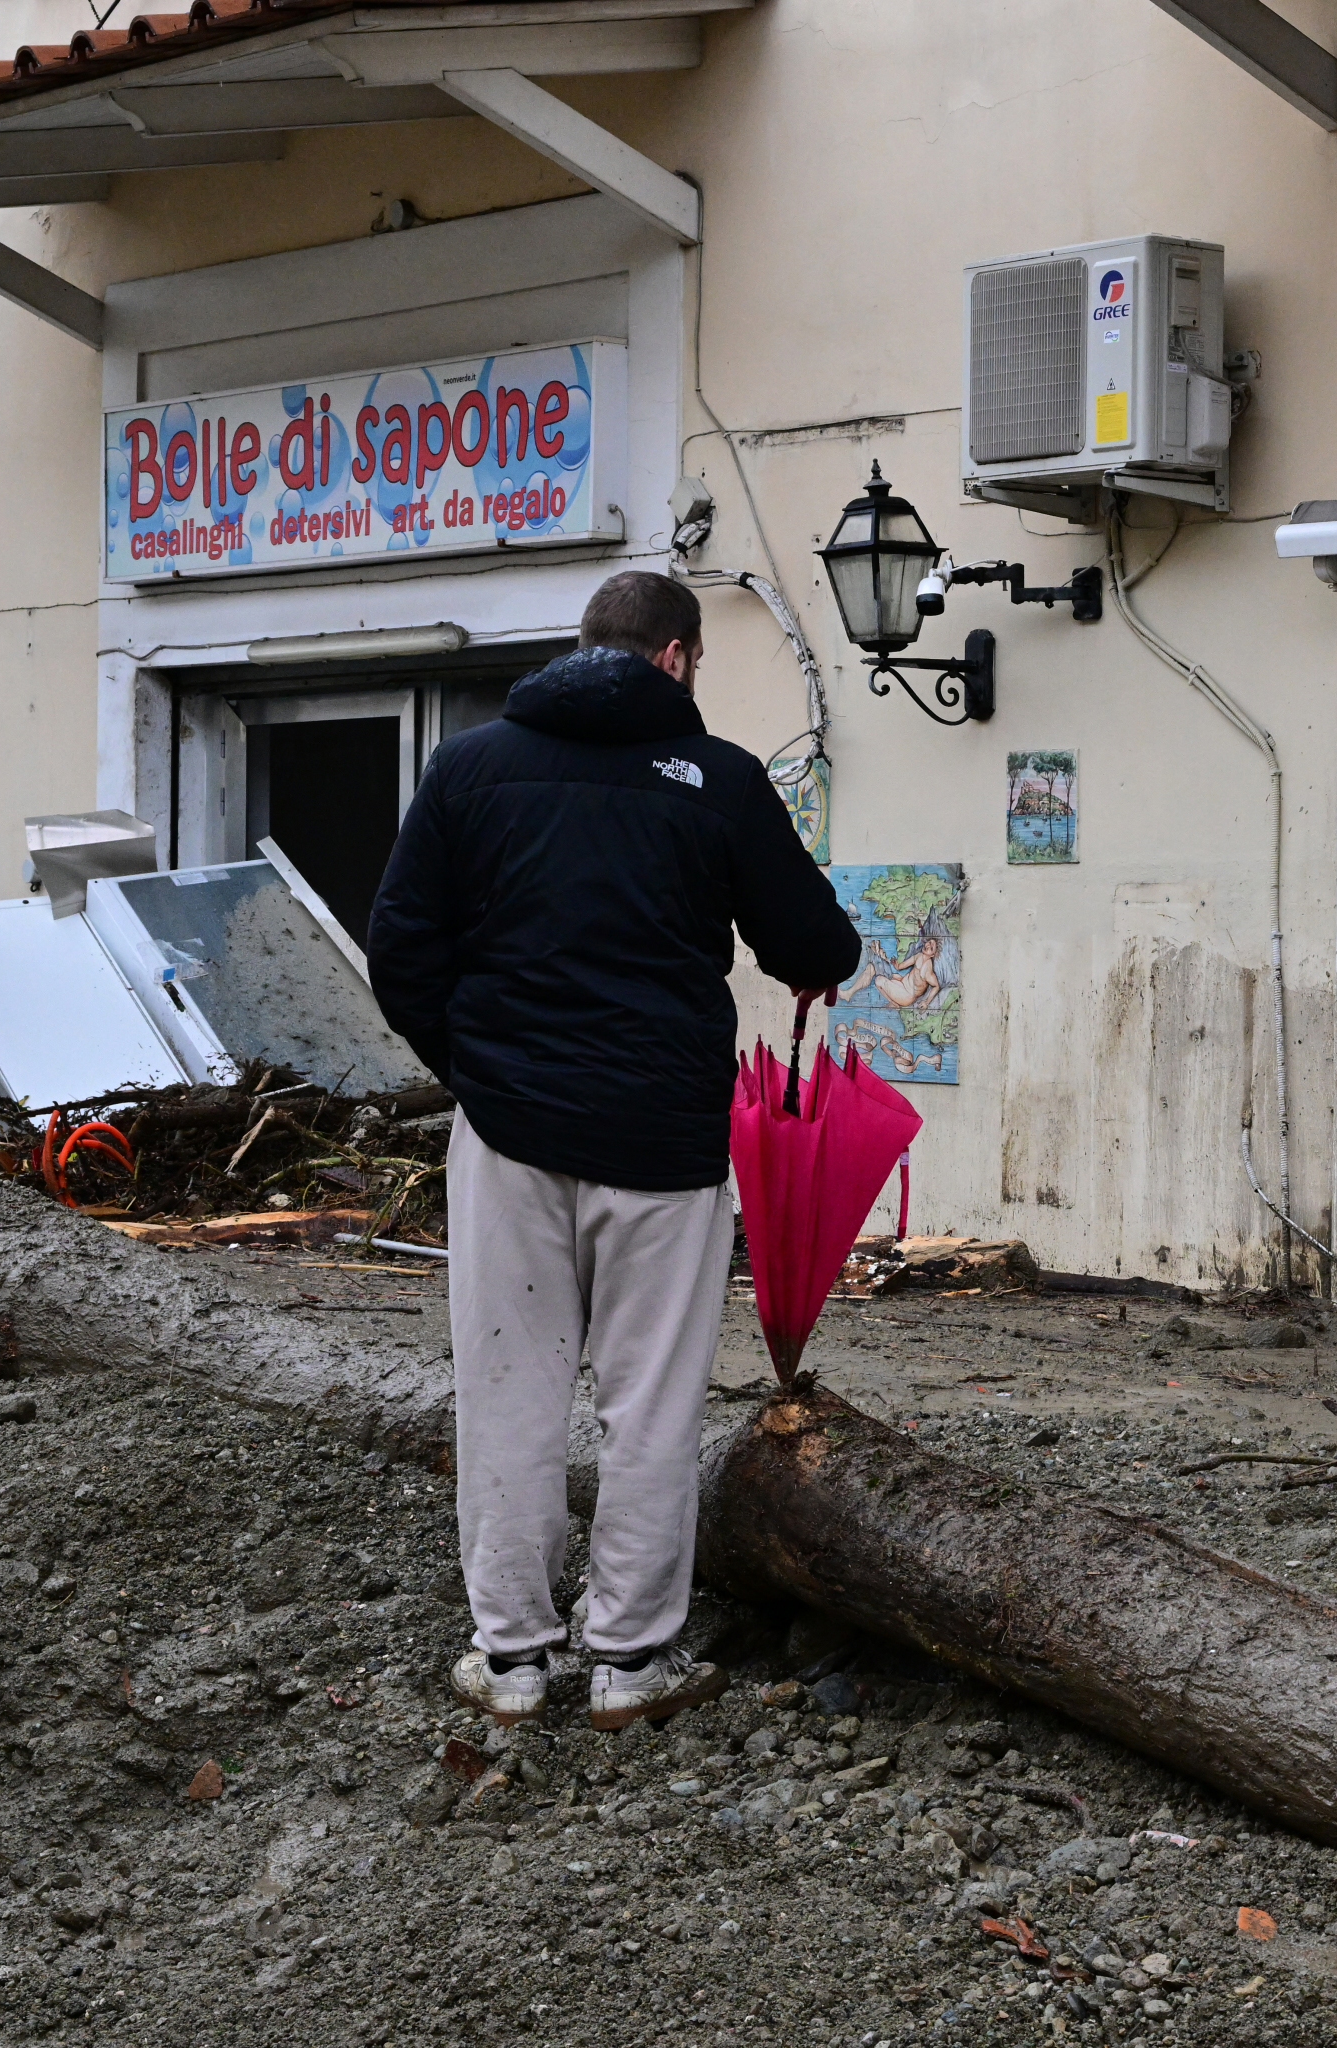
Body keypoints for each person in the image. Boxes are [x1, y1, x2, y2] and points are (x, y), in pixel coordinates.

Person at [368, 571, 862, 1730]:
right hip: (664, 1141)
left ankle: (512, 1660)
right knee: (650, 1400)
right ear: (679, 657)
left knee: (508, 1387)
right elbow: (815, 942)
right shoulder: (723, 781)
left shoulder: (470, 767)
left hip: (509, 1138)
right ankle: (633, 1665)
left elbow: (400, 948)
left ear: (584, 646)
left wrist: (479, 1066)